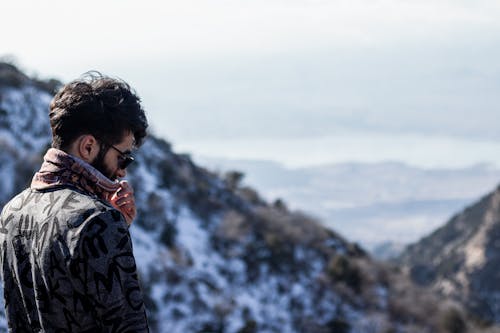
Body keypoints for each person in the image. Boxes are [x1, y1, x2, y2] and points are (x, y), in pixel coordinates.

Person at [0, 73, 149, 332]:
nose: (123, 171)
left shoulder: (12, 211)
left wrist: (115, 230)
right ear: (89, 146)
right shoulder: (97, 221)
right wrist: (110, 230)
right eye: (123, 158)